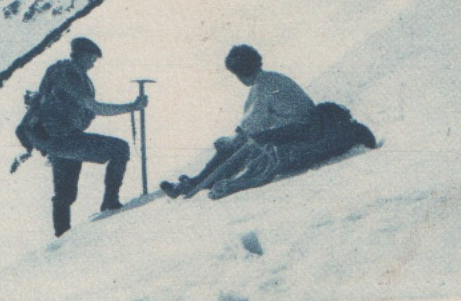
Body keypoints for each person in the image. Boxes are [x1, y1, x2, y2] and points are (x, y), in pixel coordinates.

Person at [28, 37, 147, 238]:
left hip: (54, 140)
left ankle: (61, 238)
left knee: (64, 194)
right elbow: (94, 106)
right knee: (120, 149)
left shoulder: (60, 72)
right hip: (65, 139)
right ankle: (110, 201)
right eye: (92, 58)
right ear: (81, 56)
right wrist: (131, 107)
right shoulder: (69, 75)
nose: (93, 63)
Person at [160, 44, 314, 199]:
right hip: (299, 124)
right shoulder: (272, 78)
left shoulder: (262, 86)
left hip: (297, 128)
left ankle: (198, 182)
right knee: (238, 143)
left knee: (237, 145)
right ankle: (196, 181)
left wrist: (235, 139)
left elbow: (252, 122)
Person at [204, 102, 378, 199]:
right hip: (293, 149)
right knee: (267, 157)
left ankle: (230, 184)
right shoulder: (336, 129)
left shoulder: (344, 133)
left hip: (293, 153)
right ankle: (229, 182)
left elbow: (313, 146)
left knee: (269, 163)